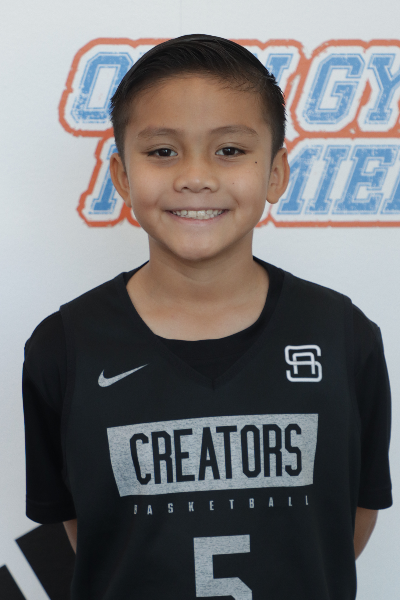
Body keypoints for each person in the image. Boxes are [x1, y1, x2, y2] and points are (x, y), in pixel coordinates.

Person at [22, 34, 392, 599]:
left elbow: (349, 522)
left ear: (275, 174)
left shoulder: (343, 335)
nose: (195, 176)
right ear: (122, 177)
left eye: (230, 150)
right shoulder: (64, 347)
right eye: (162, 152)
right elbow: (86, 530)